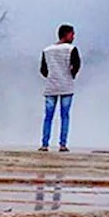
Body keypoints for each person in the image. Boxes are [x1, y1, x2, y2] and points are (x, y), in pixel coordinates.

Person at [40, 24, 81, 152]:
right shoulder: (71, 49)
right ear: (66, 34)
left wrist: (51, 76)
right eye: (72, 34)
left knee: (48, 116)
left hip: (51, 86)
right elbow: (77, 65)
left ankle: (45, 144)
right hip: (66, 86)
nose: (73, 36)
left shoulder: (47, 50)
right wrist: (71, 75)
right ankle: (62, 144)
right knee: (65, 116)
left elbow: (43, 69)